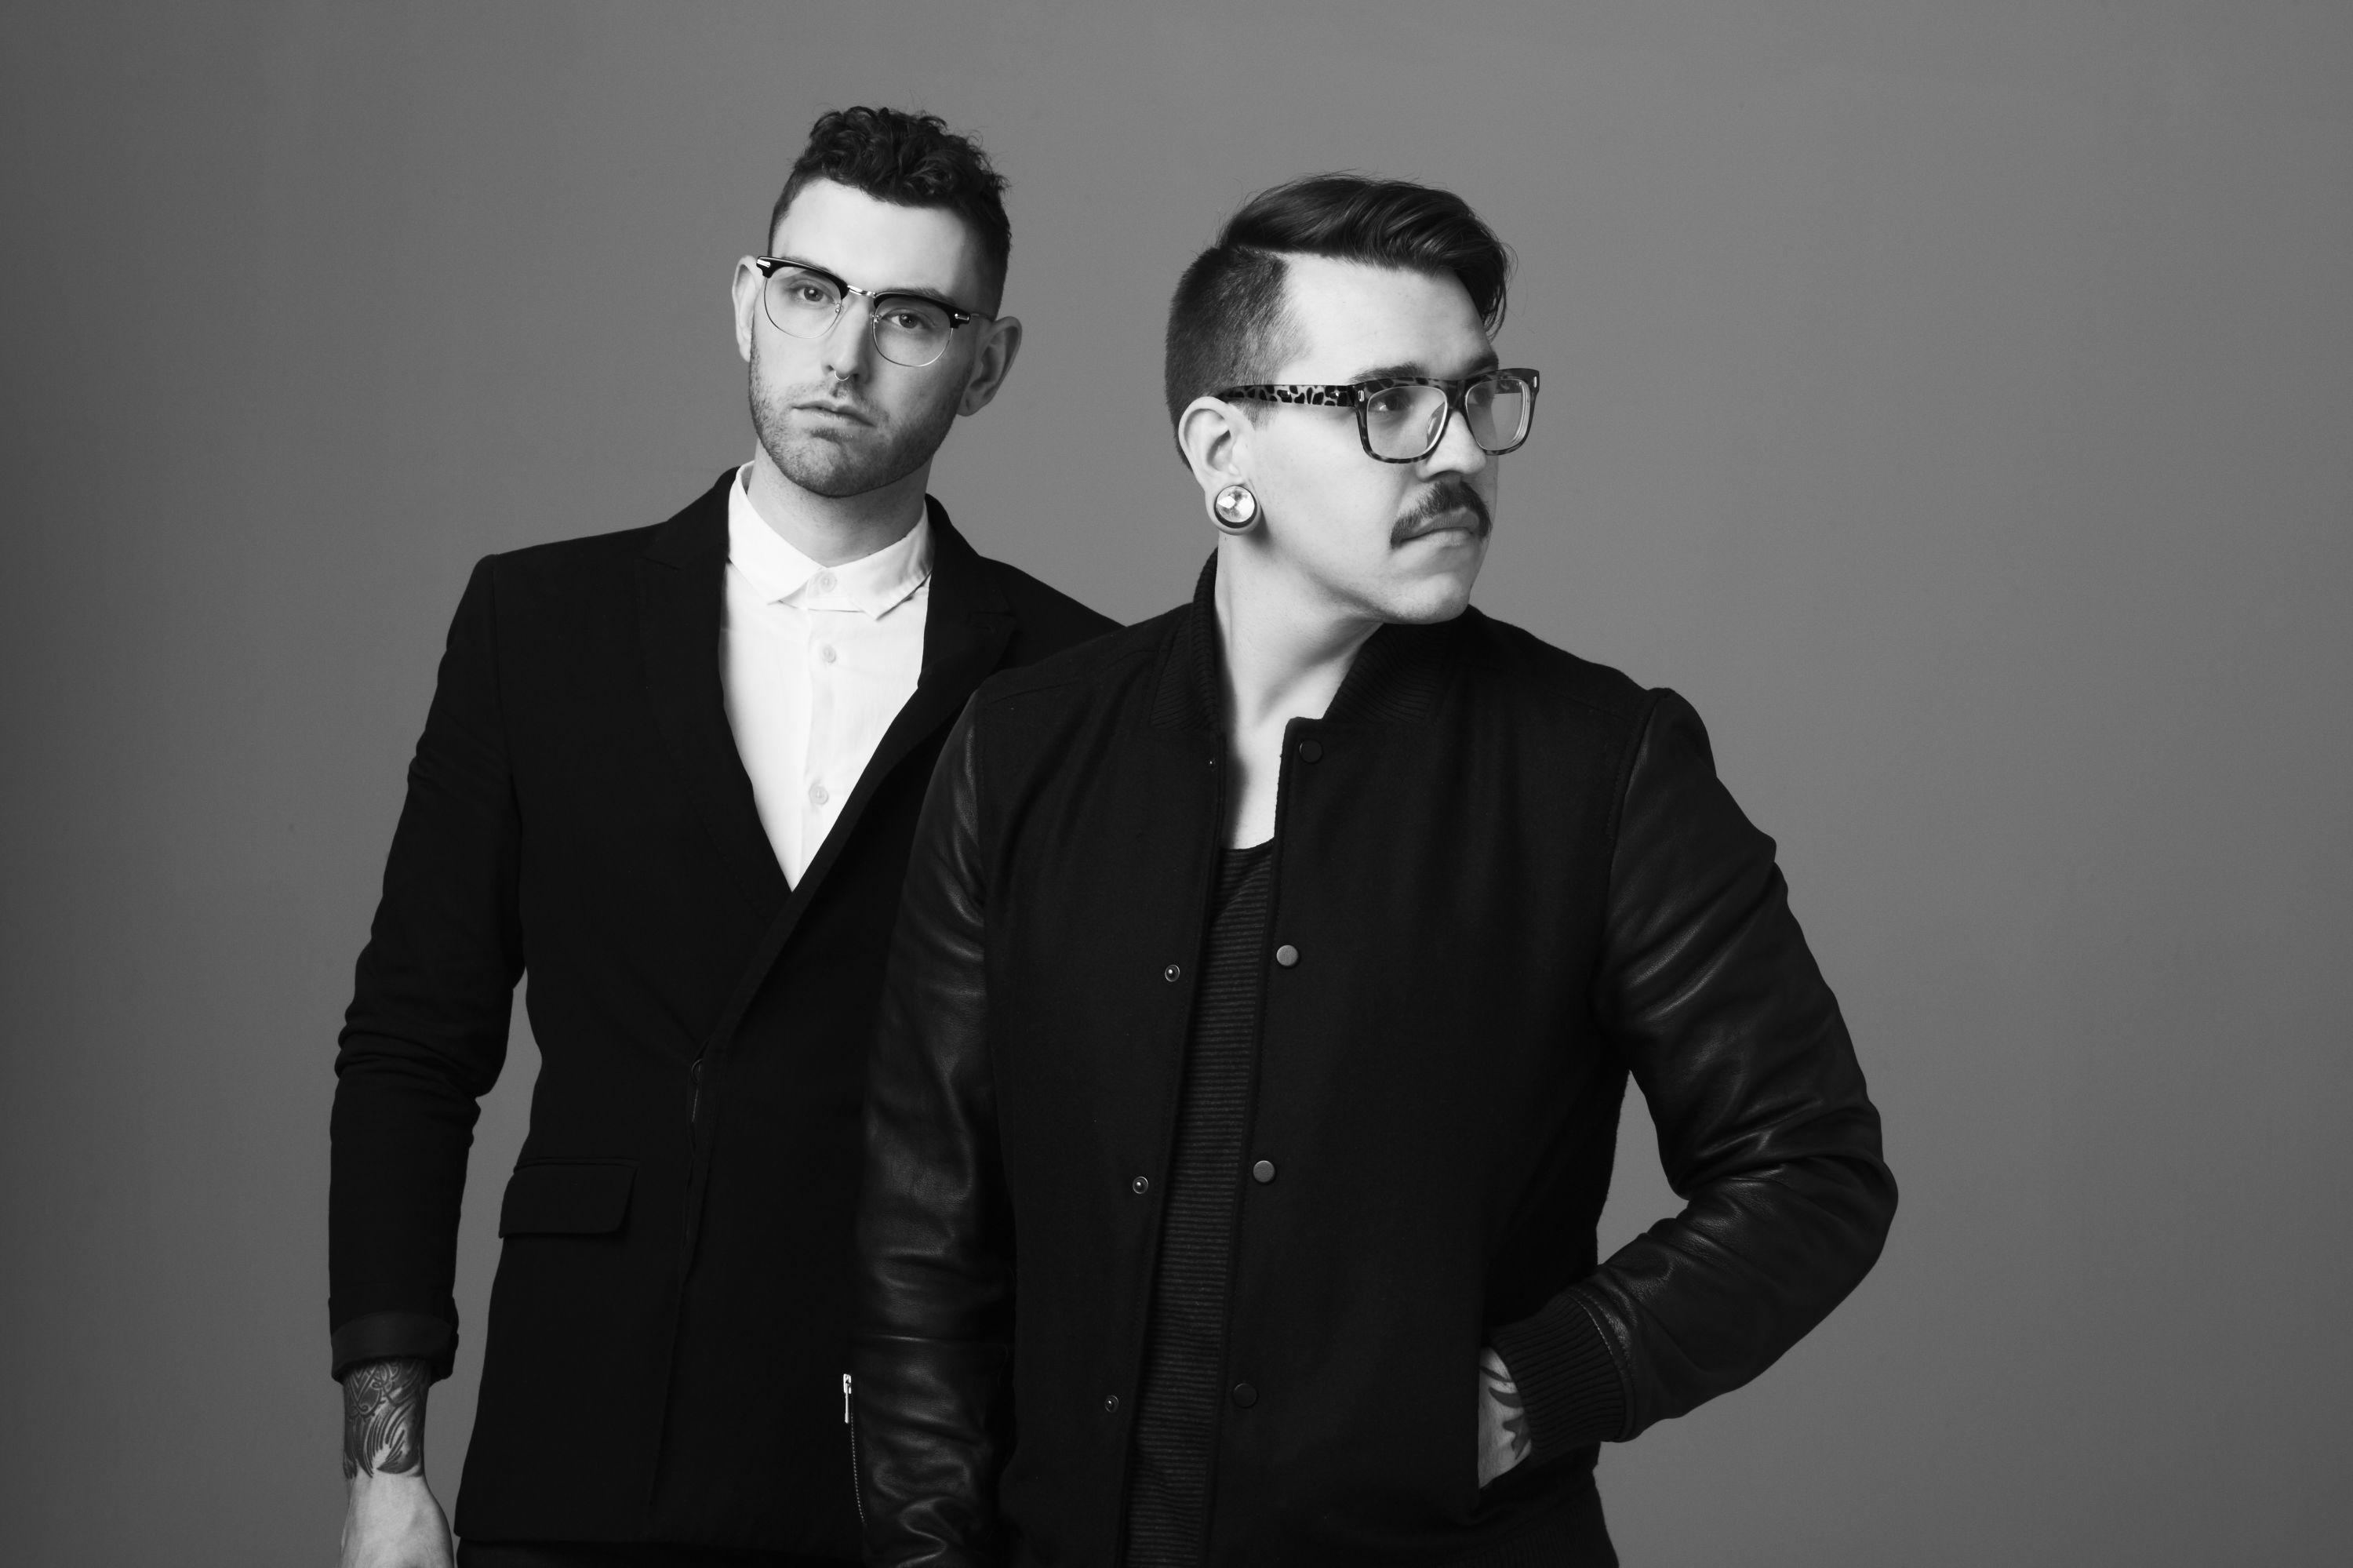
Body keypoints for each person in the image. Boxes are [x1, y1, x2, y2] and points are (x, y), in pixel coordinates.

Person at [852, 173, 1897, 1565]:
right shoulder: (1022, 749)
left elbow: (1812, 1170)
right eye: (1389, 403)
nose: (1458, 452)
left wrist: (1534, 1393)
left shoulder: (1604, 766)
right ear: (1222, 446)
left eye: (1479, 395)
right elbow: (923, 1253)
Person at [330, 107, 1114, 1568]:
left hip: (920, 1480)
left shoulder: (1077, 683)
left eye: (910, 316)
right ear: (749, 301)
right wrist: (387, 1468)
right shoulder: (538, 627)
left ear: (988, 363)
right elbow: (411, 1049)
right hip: (587, 1435)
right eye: (813, 293)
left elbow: (1110, 1120)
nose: (845, 354)